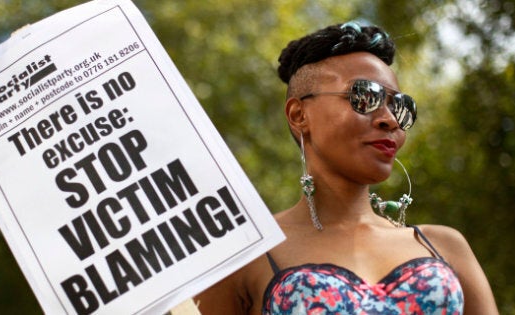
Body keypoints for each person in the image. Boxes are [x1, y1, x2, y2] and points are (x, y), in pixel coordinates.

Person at [194, 22, 498, 314]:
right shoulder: (246, 254)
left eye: (400, 106)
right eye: (365, 97)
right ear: (299, 115)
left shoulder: (443, 246)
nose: (389, 119)